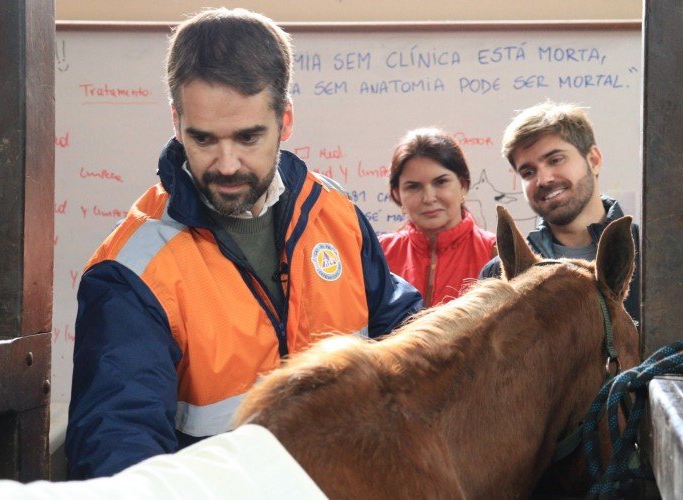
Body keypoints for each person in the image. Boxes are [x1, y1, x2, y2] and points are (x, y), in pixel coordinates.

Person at [65, 7, 422, 480]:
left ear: (285, 119)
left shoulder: (336, 214)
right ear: (176, 121)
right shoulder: (131, 273)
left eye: (249, 137)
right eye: (204, 139)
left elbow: (405, 335)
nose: (227, 164)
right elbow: (119, 449)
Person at [478, 100, 640, 321]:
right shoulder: (500, 274)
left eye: (555, 160)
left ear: (593, 160)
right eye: (528, 172)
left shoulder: (654, 255)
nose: (543, 179)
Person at [379, 128, 497, 306]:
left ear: (463, 185)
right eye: (413, 187)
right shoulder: (378, 254)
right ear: (397, 194)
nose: (428, 198)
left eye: (440, 182)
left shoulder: (497, 253)